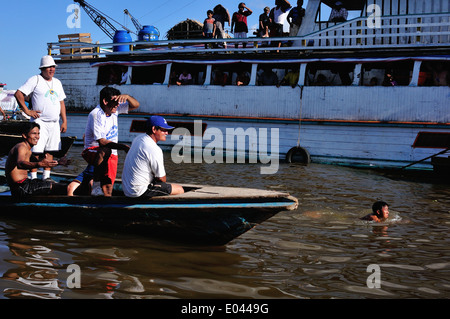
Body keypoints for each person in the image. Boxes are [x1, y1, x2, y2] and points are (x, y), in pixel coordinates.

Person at [14, 55, 67, 182]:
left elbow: (61, 103)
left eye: (53, 67)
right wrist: (26, 110)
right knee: (36, 151)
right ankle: (33, 178)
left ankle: (46, 177)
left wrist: (64, 120)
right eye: (49, 67)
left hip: (54, 123)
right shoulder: (35, 80)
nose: (51, 69)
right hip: (39, 122)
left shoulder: (57, 83)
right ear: (42, 69)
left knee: (50, 150)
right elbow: (19, 93)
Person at [82, 86, 140, 196]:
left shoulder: (115, 109)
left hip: (112, 152)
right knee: (106, 150)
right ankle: (95, 186)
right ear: (105, 101)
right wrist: (123, 147)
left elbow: (136, 105)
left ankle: (104, 206)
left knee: (108, 186)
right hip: (93, 151)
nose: (118, 105)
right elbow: (102, 142)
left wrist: (127, 97)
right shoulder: (96, 113)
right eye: (115, 101)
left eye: (118, 102)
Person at [122, 116, 184, 198]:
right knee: (180, 189)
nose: (166, 133)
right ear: (154, 129)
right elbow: (162, 179)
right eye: (163, 130)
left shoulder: (138, 138)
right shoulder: (154, 149)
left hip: (127, 190)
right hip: (139, 192)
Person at [5, 122, 66, 198]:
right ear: (24, 135)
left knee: (58, 184)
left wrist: (59, 162)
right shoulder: (21, 147)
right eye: (34, 133)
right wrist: (40, 164)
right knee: (62, 188)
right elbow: (20, 164)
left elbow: (39, 161)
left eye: (38, 133)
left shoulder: (28, 149)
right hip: (21, 188)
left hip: (26, 184)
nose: (37, 137)